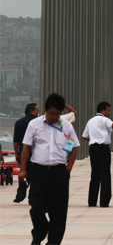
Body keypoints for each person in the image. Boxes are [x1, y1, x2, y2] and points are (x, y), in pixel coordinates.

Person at [18, 93, 79, 245]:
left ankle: (53, 242)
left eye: (58, 114)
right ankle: (40, 231)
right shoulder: (35, 124)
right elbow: (26, 148)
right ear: (45, 109)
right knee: (36, 207)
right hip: (38, 172)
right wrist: (23, 170)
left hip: (59, 173)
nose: (54, 117)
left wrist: (67, 171)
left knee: (58, 213)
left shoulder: (66, 127)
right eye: (51, 113)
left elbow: (72, 149)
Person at [82, 101, 113, 207]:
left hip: (93, 148)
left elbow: (84, 136)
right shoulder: (104, 120)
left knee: (95, 175)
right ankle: (104, 201)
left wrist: (94, 138)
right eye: (108, 110)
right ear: (102, 111)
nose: (110, 112)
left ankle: (92, 201)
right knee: (105, 175)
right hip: (103, 149)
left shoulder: (90, 121)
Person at [13, 102, 39, 203]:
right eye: (37, 110)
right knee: (35, 176)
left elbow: (16, 140)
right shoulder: (37, 122)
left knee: (23, 174)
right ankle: (32, 198)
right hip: (35, 153)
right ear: (32, 111)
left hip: (23, 153)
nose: (38, 112)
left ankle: (20, 195)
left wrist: (17, 154)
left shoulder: (18, 122)